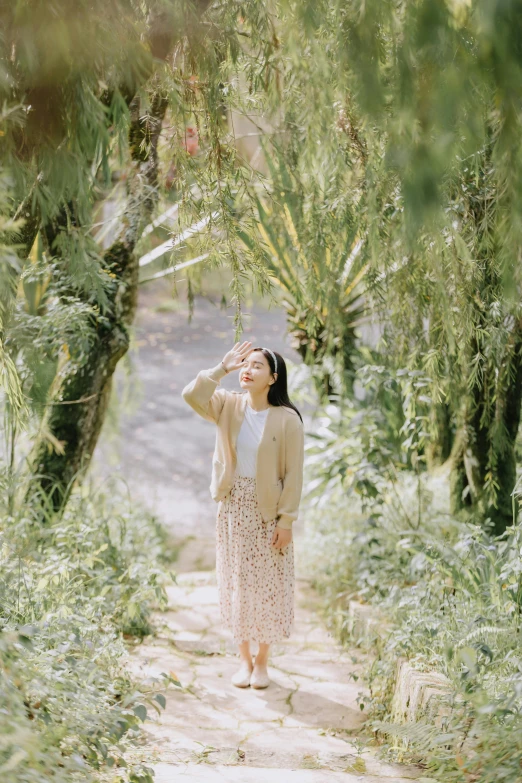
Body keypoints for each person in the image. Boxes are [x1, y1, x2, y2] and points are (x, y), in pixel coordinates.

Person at [181, 341, 305, 689]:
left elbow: (294, 474)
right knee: (237, 583)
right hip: (233, 507)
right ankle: (244, 661)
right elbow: (191, 395)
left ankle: (263, 662)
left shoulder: (287, 419)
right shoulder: (227, 405)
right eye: (245, 364)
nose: (247, 370)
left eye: (257, 366)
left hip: (268, 511)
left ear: (273, 378)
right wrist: (222, 368)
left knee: (267, 587)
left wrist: (286, 521)